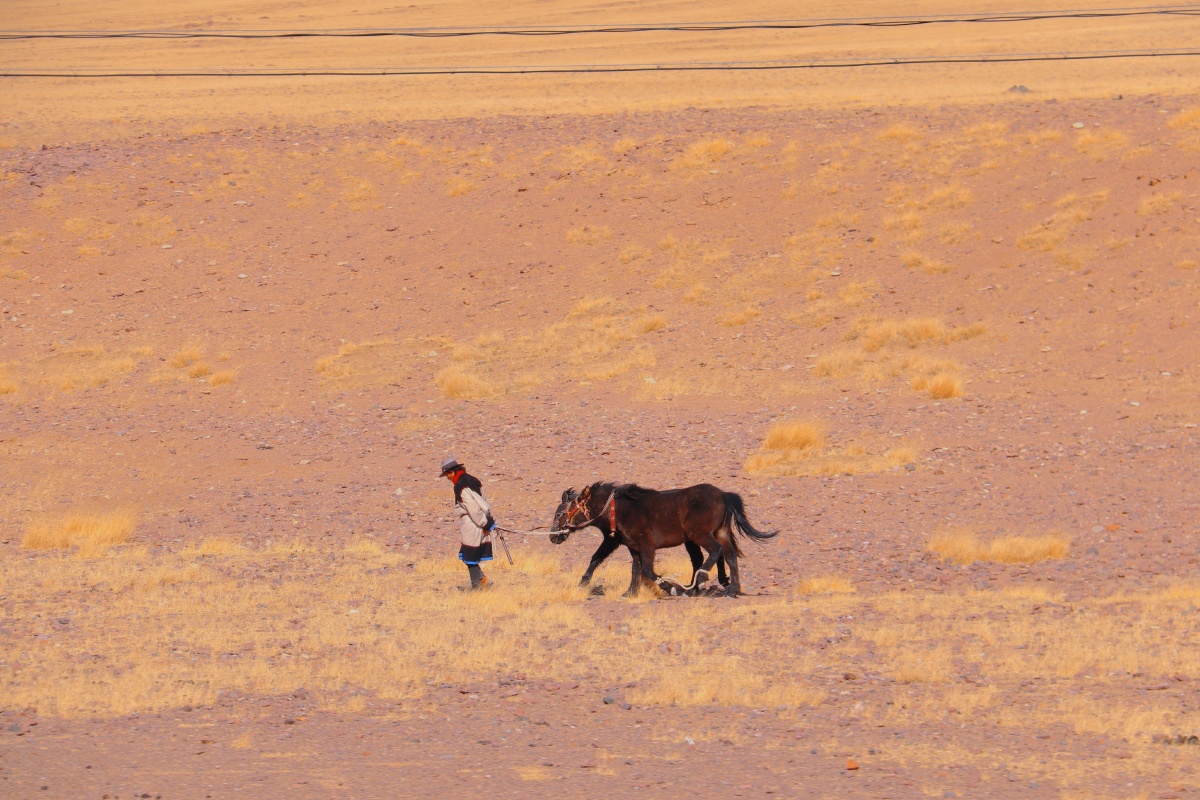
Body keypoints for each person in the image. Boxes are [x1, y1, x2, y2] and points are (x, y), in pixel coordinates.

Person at [440, 456, 496, 590]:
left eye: (447, 474)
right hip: (480, 521)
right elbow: (483, 501)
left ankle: (476, 586)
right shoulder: (473, 479)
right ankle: (483, 580)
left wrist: (484, 523)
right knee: (468, 555)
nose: (447, 477)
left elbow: (473, 508)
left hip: (473, 522)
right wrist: (487, 520)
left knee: (469, 556)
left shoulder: (460, 485)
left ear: (452, 471)